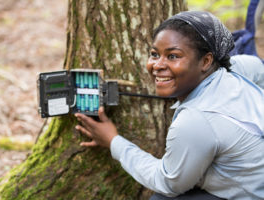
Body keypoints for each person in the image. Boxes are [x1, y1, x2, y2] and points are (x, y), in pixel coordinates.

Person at [75, 11, 264, 199]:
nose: (157, 65)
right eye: (154, 54)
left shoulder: (195, 120)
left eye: (173, 56)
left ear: (206, 61)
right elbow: (258, 67)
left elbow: (168, 182)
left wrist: (113, 141)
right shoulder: (236, 70)